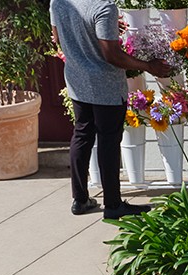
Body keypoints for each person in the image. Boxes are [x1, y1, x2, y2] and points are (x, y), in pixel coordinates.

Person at [52, 0, 175, 220]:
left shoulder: (59, 2)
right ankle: (113, 205)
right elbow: (112, 55)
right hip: (105, 85)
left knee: (81, 135)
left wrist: (92, 36)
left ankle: (80, 200)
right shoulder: (103, 7)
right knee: (108, 141)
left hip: (77, 81)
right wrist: (149, 66)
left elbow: (58, 38)